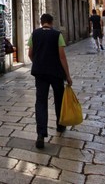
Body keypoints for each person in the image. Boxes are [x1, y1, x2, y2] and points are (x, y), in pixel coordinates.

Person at [28, 13, 72, 149]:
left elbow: (30, 53)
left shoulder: (34, 34)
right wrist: (68, 75)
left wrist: (37, 62)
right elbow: (62, 57)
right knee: (59, 99)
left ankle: (41, 134)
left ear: (41, 22)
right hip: (56, 73)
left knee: (41, 101)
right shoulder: (57, 35)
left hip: (40, 72)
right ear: (51, 23)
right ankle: (60, 125)